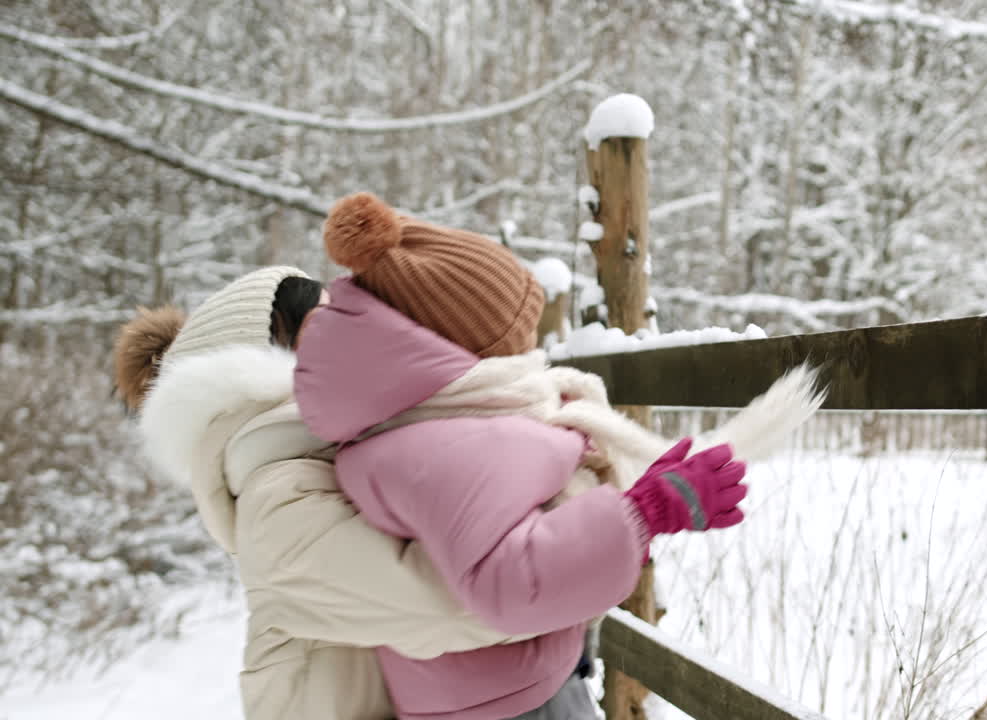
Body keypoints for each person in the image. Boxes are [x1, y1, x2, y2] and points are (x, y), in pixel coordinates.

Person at [291, 192, 824, 720]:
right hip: (506, 706)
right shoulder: (444, 448)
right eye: (519, 330)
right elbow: (509, 579)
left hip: (498, 687)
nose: (531, 346)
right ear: (467, 342)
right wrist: (643, 512)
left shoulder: (428, 424)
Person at [113, 266, 532, 720]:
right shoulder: (277, 503)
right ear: (280, 347)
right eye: (326, 322)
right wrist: (584, 525)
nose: (354, 336)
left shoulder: (322, 462)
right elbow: (461, 605)